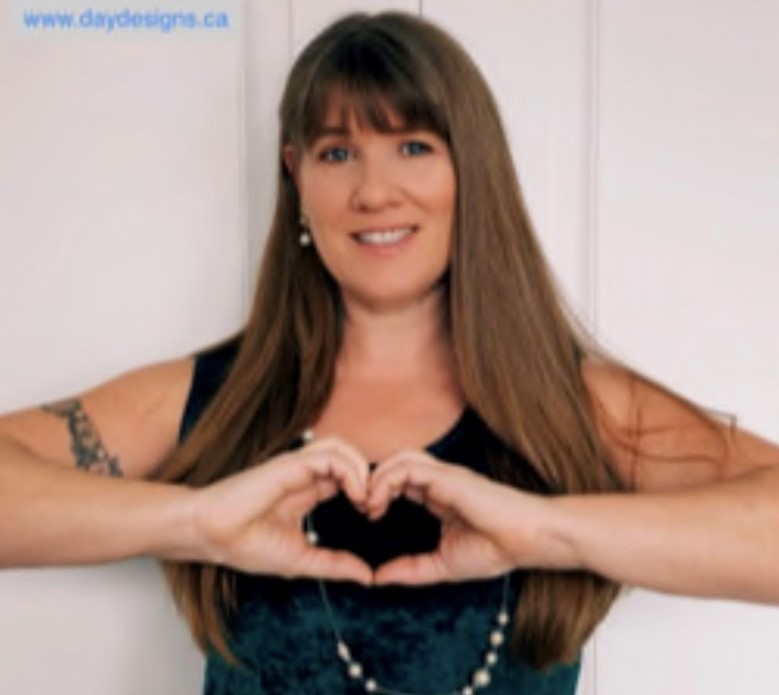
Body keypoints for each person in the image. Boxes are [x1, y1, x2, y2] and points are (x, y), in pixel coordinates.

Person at [1, 10, 778, 695]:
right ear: (295, 173)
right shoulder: (209, 397)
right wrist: (195, 521)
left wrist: (550, 530)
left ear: (470, 168)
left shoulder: (581, 408)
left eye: (412, 145)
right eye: (337, 153)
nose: (374, 191)